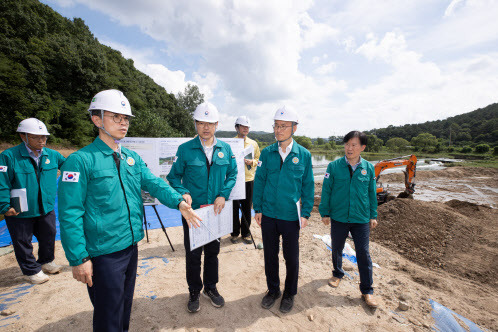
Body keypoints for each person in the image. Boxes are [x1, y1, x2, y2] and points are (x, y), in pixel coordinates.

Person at [58, 89, 201, 331]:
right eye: (116, 117)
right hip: (103, 252)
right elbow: (69, 213)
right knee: (107, 313)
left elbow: (154, 183)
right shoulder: (80, 161)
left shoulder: (131, 158)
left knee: (124, 305)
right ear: (96, 119)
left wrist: (179, 202)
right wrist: (79, 258)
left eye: (126, 118)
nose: (123, 123)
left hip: (130, 246)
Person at [167, 102, 237, 313]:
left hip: (215, 211)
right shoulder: (185, 149)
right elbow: (173, 177)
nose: (206, 127)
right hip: (193, 212)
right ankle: (194, 290)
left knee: (213, 252)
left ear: (216, 125)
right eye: (201, 123)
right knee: (193, 253)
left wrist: (223, 195)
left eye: (210, 123)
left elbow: (232, 175)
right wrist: (183, 192)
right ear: (195, 124)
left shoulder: (225, 149)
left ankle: (211, 288)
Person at [253, 106, 314, 313]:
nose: (278, 130)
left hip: (290, 216)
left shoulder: (304, 155)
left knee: (291, 257)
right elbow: (259, 181)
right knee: (270, 255)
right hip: (269, 214)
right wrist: (258, 208)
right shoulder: (267, 153)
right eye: (276, 126)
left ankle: (289, 293)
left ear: (294, 128)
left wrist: (305, 213)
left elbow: (308, 185)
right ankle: (273, 290)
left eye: (283, 126)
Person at [318, 130, 379, 308]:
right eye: (347, 144)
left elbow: (371, 193)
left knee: (364, 254)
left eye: (354, 145)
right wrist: (325, 212)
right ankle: (337, 274)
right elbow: (327, 190)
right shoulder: (334, 166)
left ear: (362, 147)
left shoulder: (368, 168)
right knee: (336, 247)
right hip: (339, 216)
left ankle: (367, 291)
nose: (349, 148)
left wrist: (373, 215)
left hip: (361, 218)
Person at [0, 118, 65, 284]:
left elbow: (70, 168)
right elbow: (2, 181)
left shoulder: (52, 155)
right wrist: (4, 205)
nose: (42, 141)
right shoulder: (9, 157)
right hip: (20, 209)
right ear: (23, 136)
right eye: (37, 137)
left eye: (44, 137)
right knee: (22, 240)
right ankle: (31, 270)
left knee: (48, 235)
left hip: (46, 206)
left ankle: (46, 261)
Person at [231, 116, 260, 244]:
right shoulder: (230, 143)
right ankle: (234, 233)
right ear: (237, 127)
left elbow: (259, 160)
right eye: (243, 126)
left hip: (248, 180)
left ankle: (246, 233)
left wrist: (252, 161)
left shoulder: (253, 144)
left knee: (247, 207)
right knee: (233, 207)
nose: (245, 129)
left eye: (247, 127)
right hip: (234, 180)